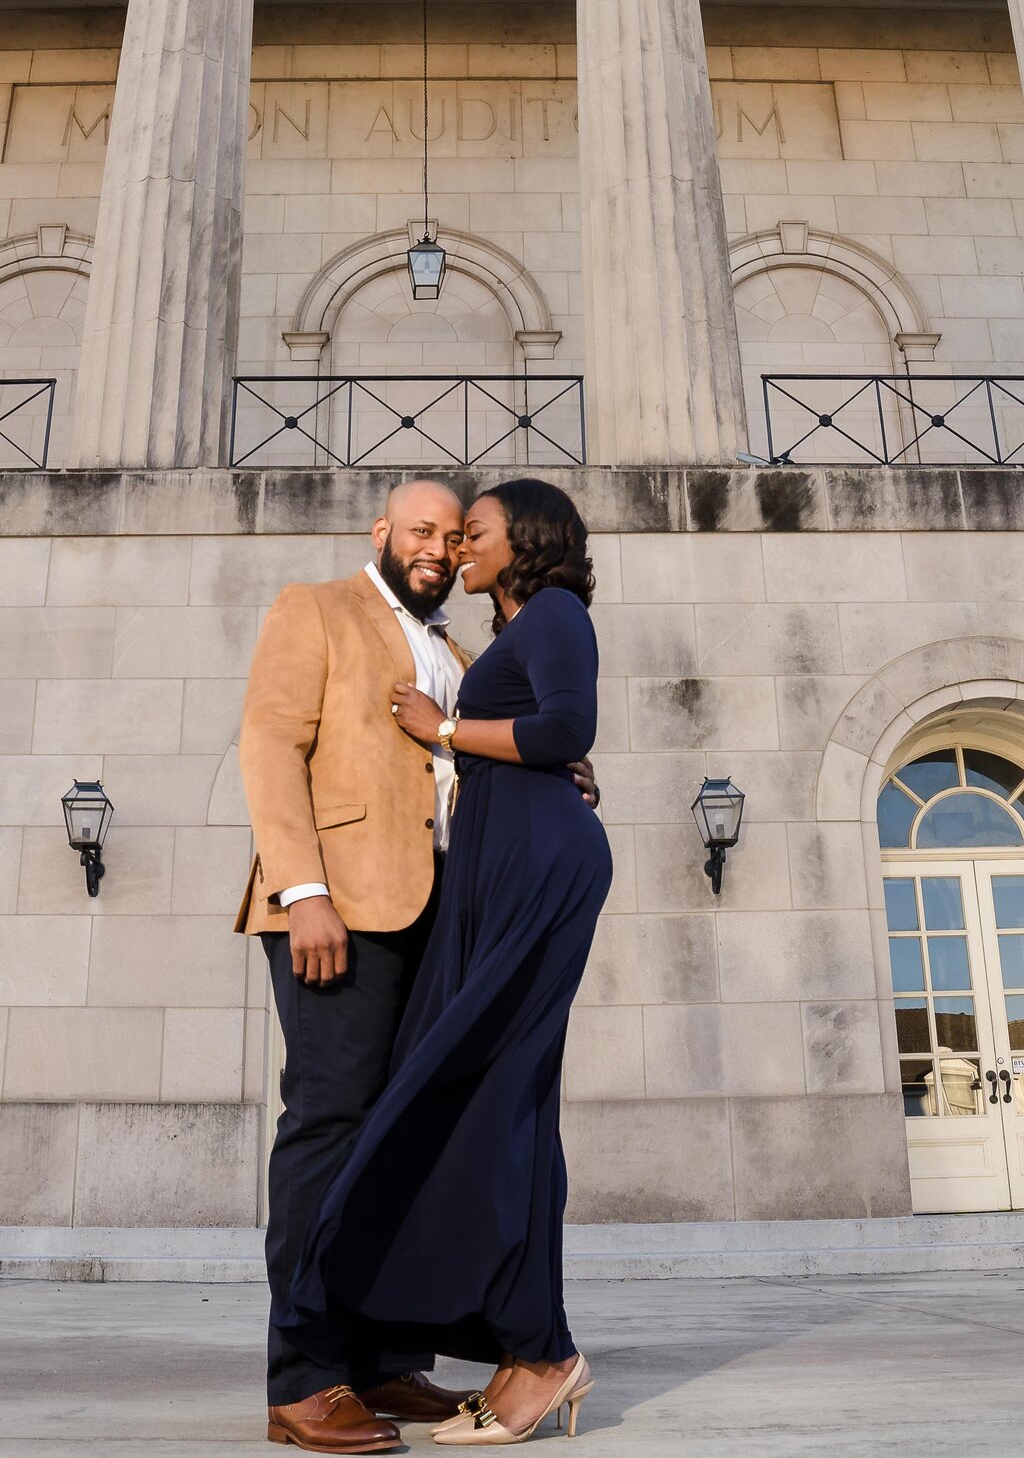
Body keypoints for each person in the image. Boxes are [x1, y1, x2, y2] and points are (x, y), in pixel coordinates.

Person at [282, 478, 612, 1447]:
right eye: (449, 530)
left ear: (530, 538)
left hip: (537, 870)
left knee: (501, 1092)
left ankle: (541, 1354)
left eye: (478, 530)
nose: (462, 544)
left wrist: (449, 730)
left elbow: (564, 727)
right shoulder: (498, 636)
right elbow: (544, 739)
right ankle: (515, 1342)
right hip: (496, 871)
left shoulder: (554, 611)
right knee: (494, 1098)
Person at [237, 479, 478, 1453]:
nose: (437, 546)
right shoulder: (317, 608)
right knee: (330, 1126)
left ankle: (382, 1358)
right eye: (421, 529)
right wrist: (304, 891)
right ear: (382, 531)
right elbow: (269, 743)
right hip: (335, 907)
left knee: (404, 1139)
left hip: (435, 921)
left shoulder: (454, 651)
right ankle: (304, 1376)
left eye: (453, 536)